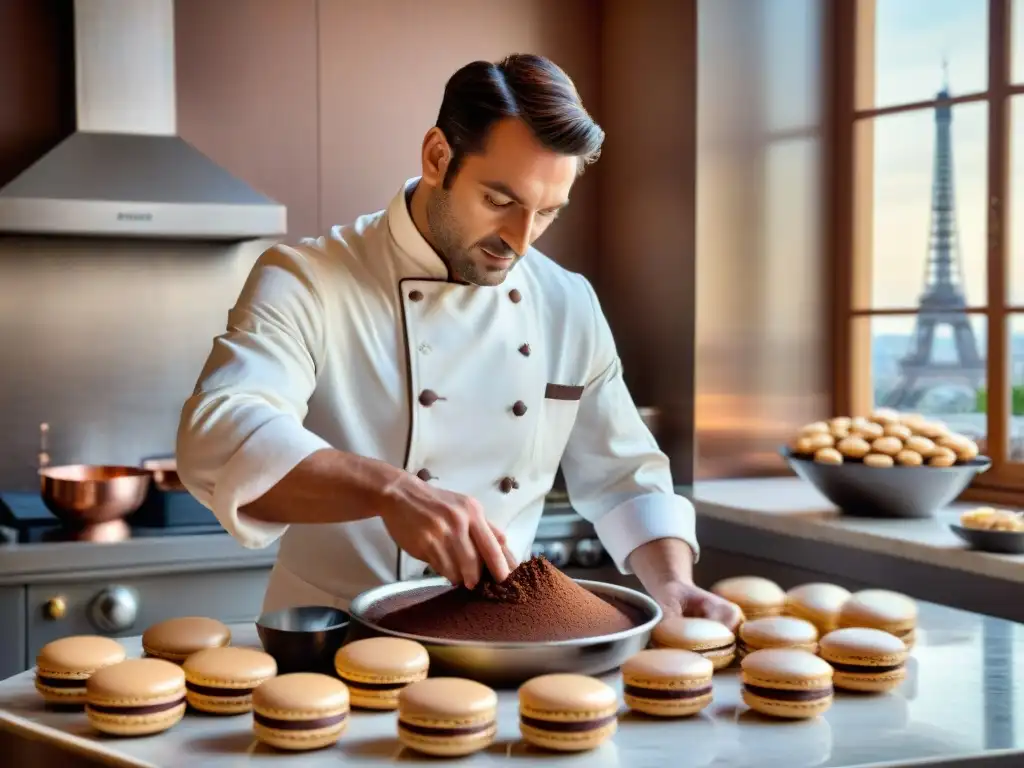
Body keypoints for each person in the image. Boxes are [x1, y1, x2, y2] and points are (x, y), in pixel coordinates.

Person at [176, 53, 741, 630]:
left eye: (546, 213)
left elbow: (623, 474)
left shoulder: (566, 302)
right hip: (332, 647)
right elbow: (219, 432)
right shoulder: (308, 279)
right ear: (437, 157)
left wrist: (674, 582)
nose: (520, 241)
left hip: (501, 642)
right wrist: (389, 491)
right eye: (500, 201)